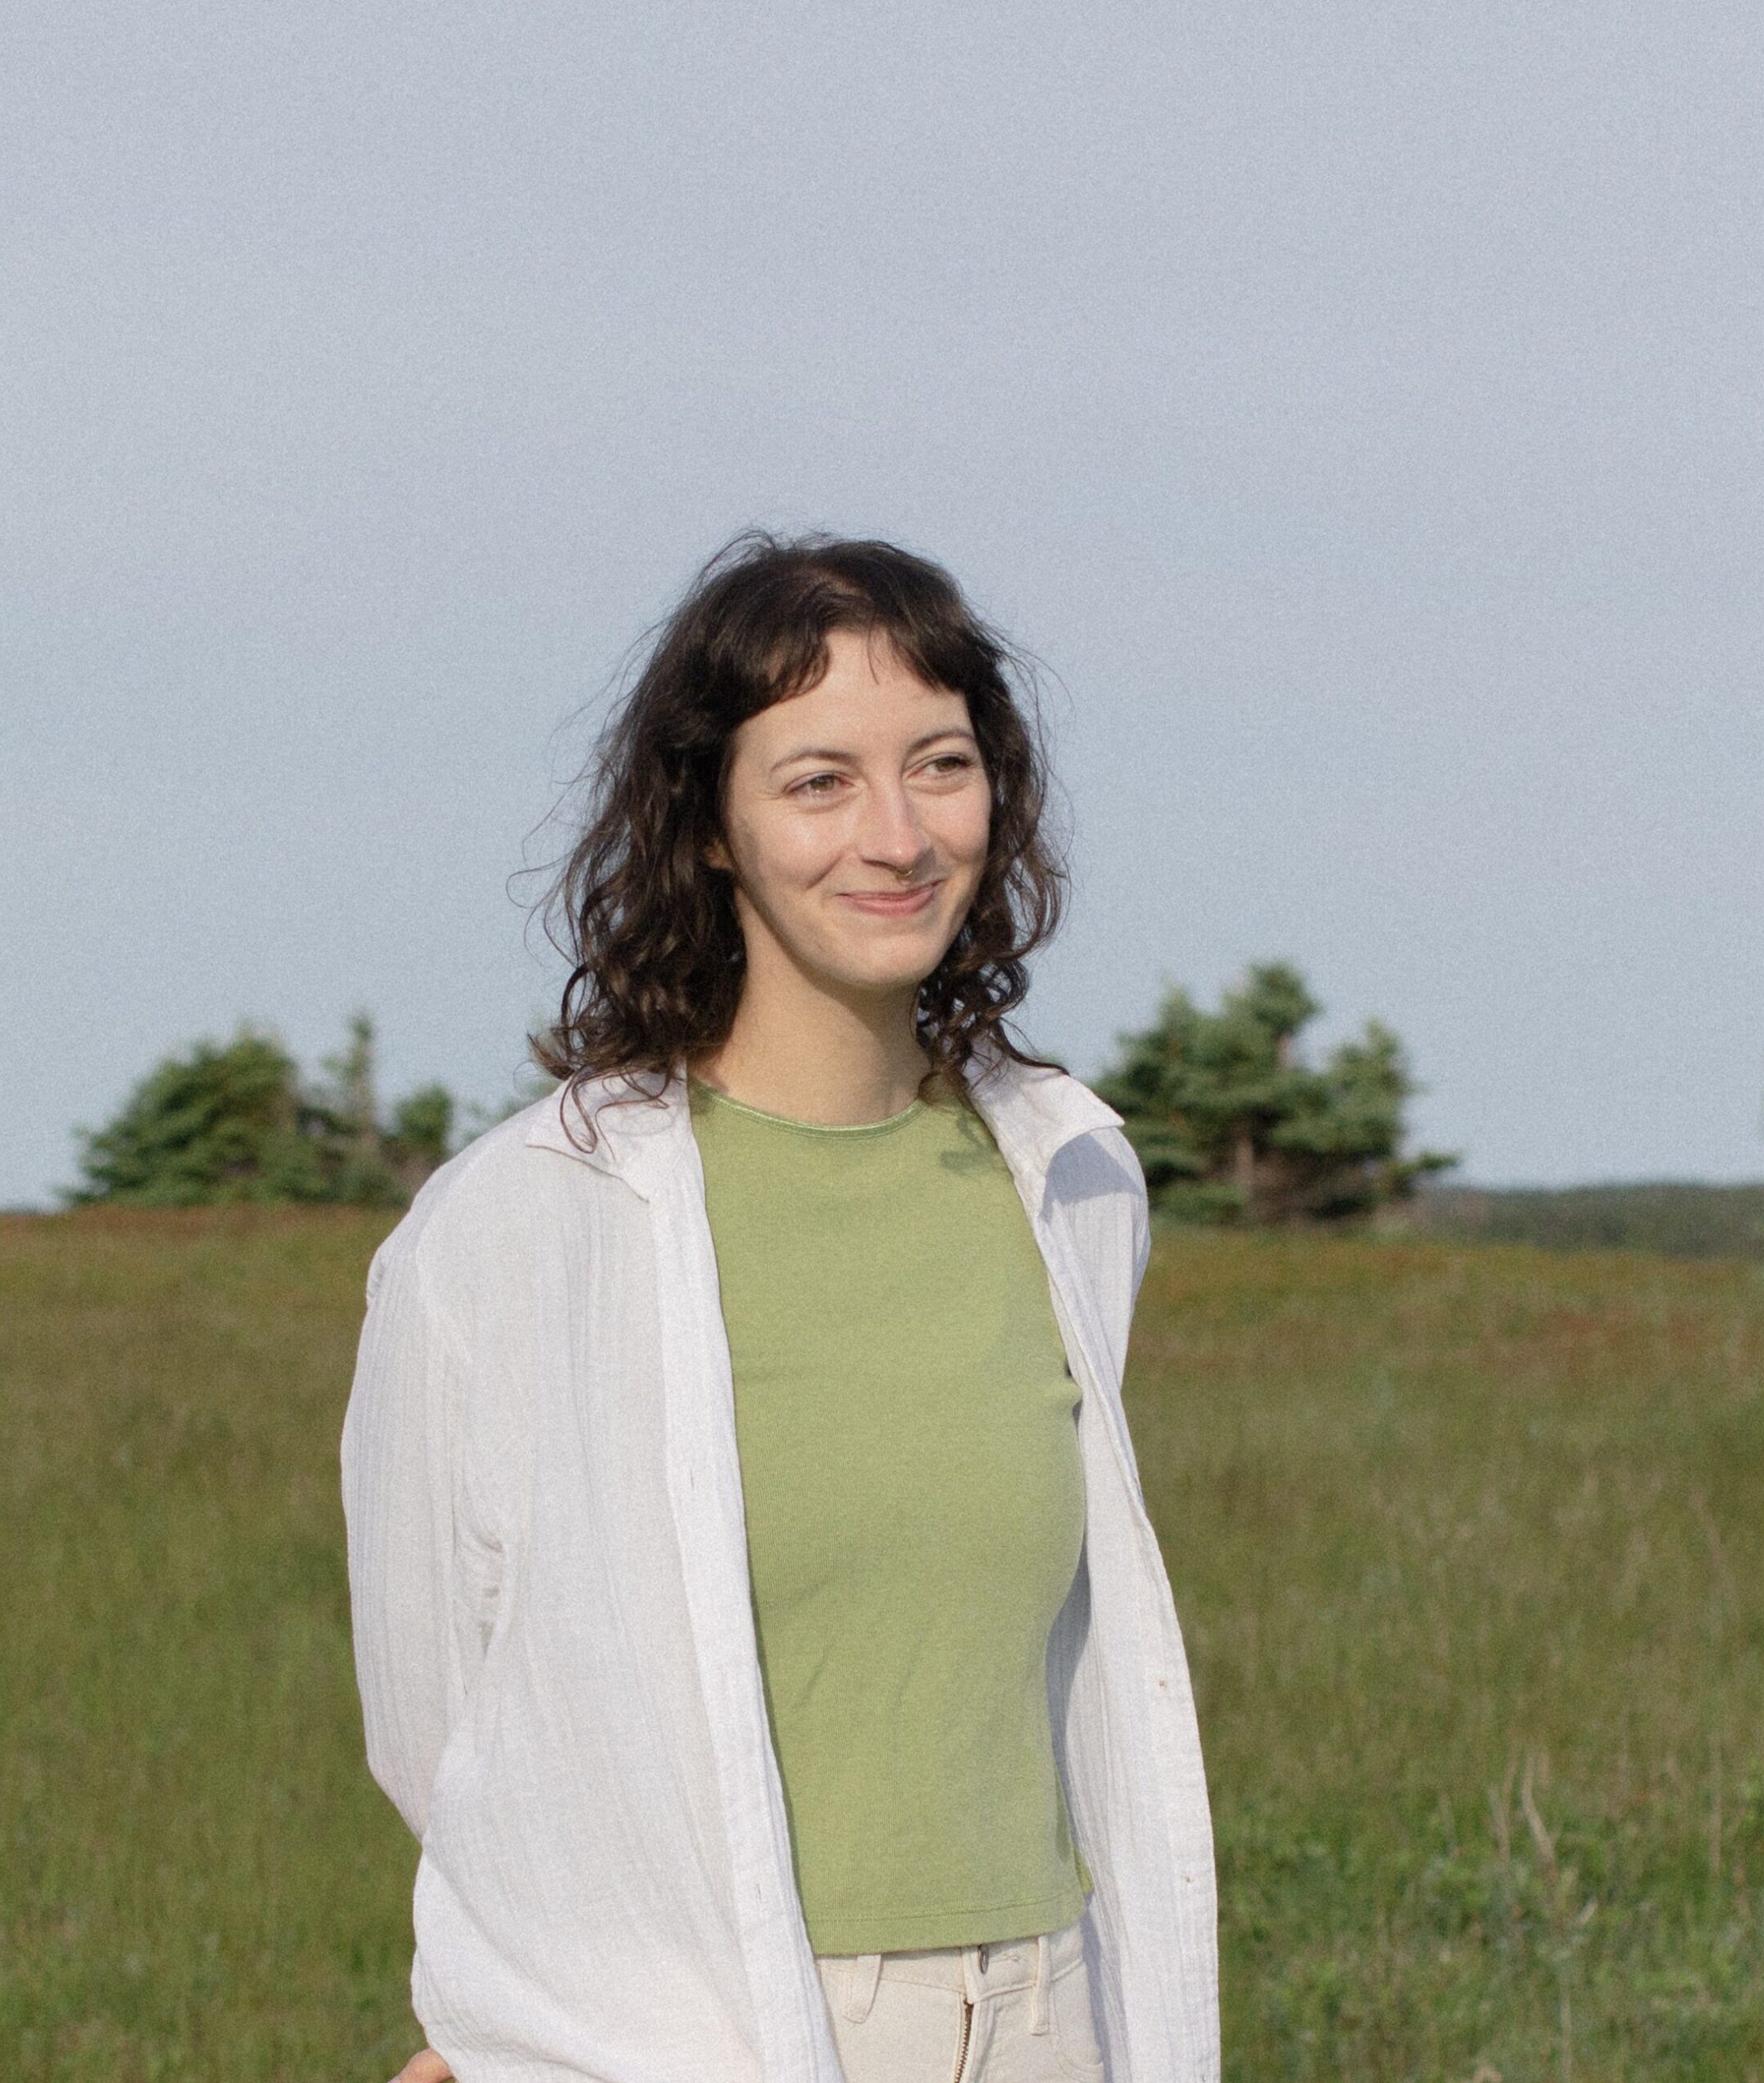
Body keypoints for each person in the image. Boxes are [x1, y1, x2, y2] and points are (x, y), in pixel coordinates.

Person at [341, 533, 1220, 2083]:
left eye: (939, 766)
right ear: (711, 832)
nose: (896, 836)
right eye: (819, 782)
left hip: (1053, 2019)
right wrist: (525, 2020)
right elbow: (439, 1718)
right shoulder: (525, 1222)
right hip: (695, 2032)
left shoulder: (1067, 1176)